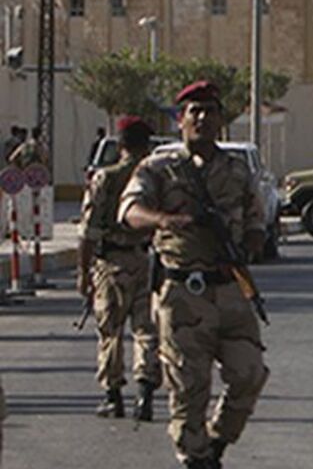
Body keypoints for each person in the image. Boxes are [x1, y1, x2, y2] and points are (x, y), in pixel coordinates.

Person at [119, 81, 268, 469]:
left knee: (249, 373)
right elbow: (130, 212)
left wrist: (251, 239)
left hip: (231, 288)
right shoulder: (159, 168)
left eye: (209, 110)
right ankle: (194, 457)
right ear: (180, 119)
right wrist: (166, 220)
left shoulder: (237, 171)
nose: (202, 117)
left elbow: (257, 221)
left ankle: (216, 442)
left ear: (220, 119)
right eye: (194, 111)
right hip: (183, 291)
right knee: (188, 389)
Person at [78, 116, 161, 421]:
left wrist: (83, 272)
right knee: (145, 329)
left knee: (110, 331)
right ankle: (145, 394)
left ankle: (113, 396)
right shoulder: (155, 175)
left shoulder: (106, 177)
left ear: (120, 143)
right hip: (145, 259)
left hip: (112, 263)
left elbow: (88, 231)